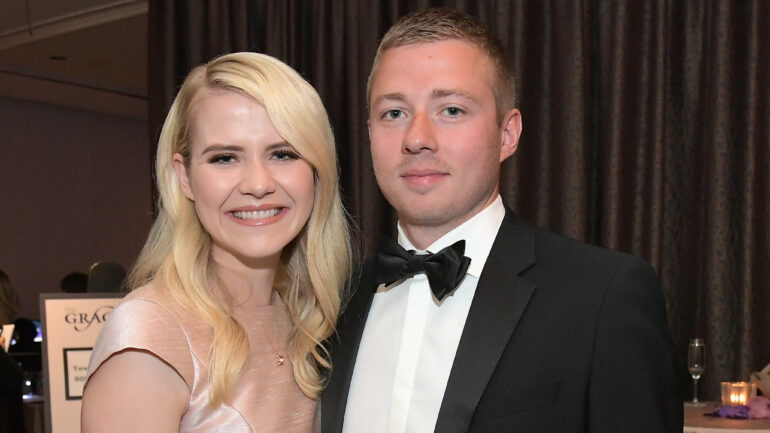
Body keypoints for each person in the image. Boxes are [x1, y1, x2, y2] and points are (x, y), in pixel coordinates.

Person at [322, 8, 681, 433]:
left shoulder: (603, 297)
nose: (417, 138)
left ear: (507, 134)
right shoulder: (332, 302)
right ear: (369, 134)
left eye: (451, 110)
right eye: (394, 113)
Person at [82, 52, 351, 433]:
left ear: (317, 171)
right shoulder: (150, 333)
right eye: (225, 158)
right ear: (185, 178)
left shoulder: (307, 318)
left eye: (283, 153)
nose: (258, 184)